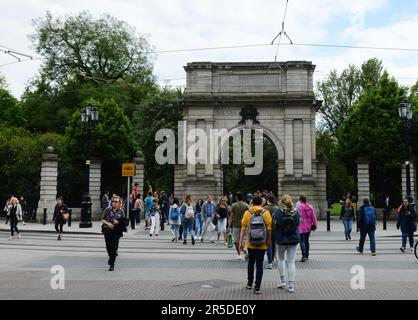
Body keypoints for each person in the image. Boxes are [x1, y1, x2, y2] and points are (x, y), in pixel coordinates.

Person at [239, 196, 272, 294]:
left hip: (251, 243)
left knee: (251, 263)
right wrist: (269, 240)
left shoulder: (247, 213)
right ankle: (257, 287)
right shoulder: (265, 213)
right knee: (260, 264)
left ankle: (249, 283)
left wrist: (241, 241)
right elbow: (269, 228)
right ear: (261, 203)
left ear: (252, 203)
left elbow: (243, 228)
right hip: (262, 243)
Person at [274, 194, 300, 293]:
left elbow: (274, 224)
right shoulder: (296, 211)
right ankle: (291, 285)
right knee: (291, 261)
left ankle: (282, 281)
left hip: (281, 238)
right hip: (293, 238)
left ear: (282, 201)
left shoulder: (278, 211)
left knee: (281, 259)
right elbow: (298, 224)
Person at [101, 196, 124, 271]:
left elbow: (124, 222)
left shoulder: (121, 211)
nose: (114, 203)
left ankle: (112, 264)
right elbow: (102, 219)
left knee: (114, 248)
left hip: (116, 232)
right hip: (107, 230)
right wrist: (108, 224)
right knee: (108, 247)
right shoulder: (107, 210)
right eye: (113, 201)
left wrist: (118, 222)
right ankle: (111, 257)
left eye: (116, 202)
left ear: (119, 203)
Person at [297, 195, 318, 262]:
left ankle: (304, 255)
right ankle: (307, 255)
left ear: (300, 200)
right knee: (306, 240)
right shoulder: (310, 207)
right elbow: (313, 217)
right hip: (308, 226)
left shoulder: (299, 207)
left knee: (302, 241)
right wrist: (315, 225)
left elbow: (297, 216)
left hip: (301, 226)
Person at [229, 192, 249, 260]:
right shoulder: (246, 205)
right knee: (245, 239)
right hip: (245, 225)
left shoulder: (234, 205)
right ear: (243, 198)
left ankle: (239, 254)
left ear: (236, 198)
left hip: (236, 225)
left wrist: (229, 225)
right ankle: (245, 249)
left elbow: (231, 216)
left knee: (236, 240)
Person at [264, 195, 278, 269]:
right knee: (273, 244)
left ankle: (270, 261)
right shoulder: (277, 208)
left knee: (268, 244)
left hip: (267, 229)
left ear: (268, 200)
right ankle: (272, 259)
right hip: (275, 229)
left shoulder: (265, 208)